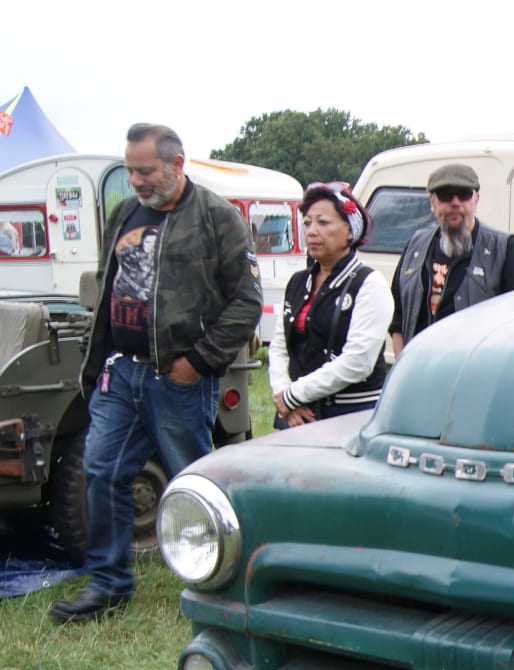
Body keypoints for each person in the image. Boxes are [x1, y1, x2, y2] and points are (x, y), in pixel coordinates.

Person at [49, 123, 261, 624]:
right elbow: (108, 289)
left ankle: (221, 583)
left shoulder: (217, 217)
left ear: (176, 163)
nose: (137, 180)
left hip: (179, 377)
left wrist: (199, 362)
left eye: (145, 170)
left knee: (196, 481)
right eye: (130, 169)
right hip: (122, 374)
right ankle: (109, 584)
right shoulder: (124, 212)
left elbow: (246, 301)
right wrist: (98, 359)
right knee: (101, 472)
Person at [269, 182, 392, 427]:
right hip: (296, 415)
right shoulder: (298, 282)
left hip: (350, 416)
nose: (312, 231)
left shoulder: (369, 284)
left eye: (323, 223)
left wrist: (292, 395)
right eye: (307, 223)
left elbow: (358, 362)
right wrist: (284, 398)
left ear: (349, 230)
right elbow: (279, 346)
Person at [388, 163, 514, 355]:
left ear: (476, 199)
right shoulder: (415, 246)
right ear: (432, 202)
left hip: (475, 375)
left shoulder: (505, 248)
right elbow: (398, 320)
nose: (455, 203)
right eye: (446, 195)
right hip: (419, 373)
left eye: (464, 194)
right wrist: (401, 369)